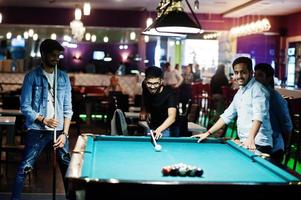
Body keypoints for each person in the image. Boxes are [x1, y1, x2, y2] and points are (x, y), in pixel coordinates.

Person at [11, 39, 73, 200]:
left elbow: (68, 109)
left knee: (69, 170)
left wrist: (65, 134)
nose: (56, 59)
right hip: (37, 131)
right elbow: (25, 106)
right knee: (24, 168)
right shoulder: (31, 77)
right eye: (53, 55)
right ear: (43, 54)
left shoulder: (64, 78)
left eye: (58, 55)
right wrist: (43, 119)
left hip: (59, 132)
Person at [192, 57, 273, 154]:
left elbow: (258, 116)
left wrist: (250, 138)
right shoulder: (240, 92)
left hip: (259, 144)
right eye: (236, 72)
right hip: (246, 142)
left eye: (243, 72)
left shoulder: (258, 90)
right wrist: (208, 133)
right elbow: (226, 116)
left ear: (251, 73)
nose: (239, 76)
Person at [254, 63, 292, 163]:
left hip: (273, 149)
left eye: (260, 75)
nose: (256, 78)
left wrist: (285, 148)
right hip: (256, 143)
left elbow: (287, 127)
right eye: (255, 75)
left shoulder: (275, 98)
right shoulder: (254, 94)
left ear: (269, 78)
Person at [140, 66, 179, 139]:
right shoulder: (144, 85)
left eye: (155, 83)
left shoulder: (169, 93)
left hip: (168, 127)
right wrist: (144, 110)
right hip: (153, 124)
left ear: (161, 81)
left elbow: (172, 117)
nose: (152, 86)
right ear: (145, 81)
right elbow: (144, 96)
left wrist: (159, 130)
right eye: (149, 83)